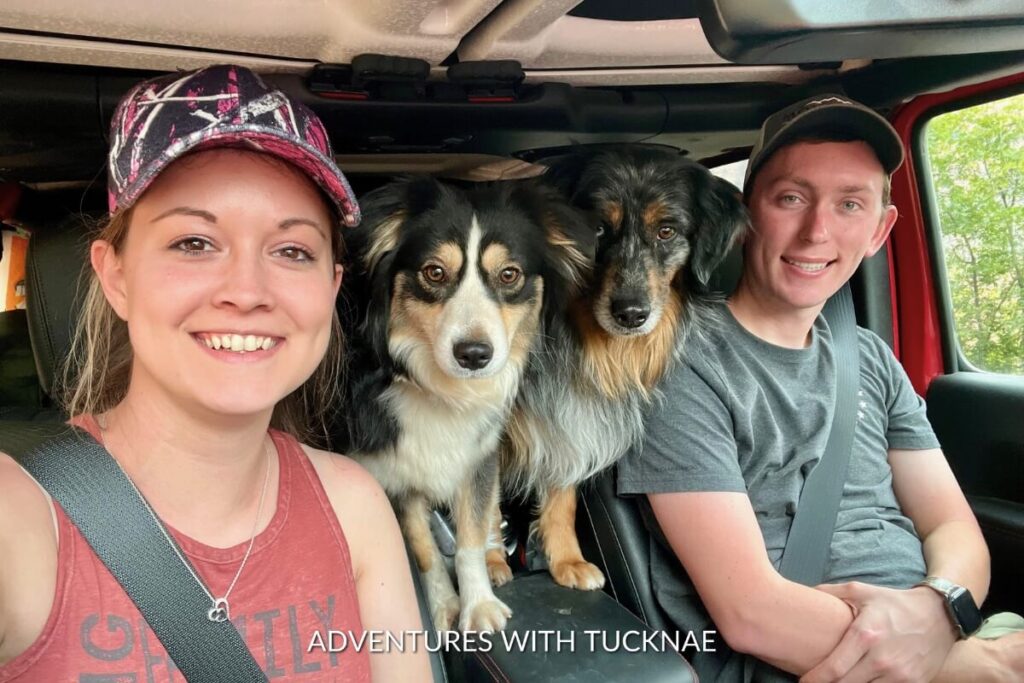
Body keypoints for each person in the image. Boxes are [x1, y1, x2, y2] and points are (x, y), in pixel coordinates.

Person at [0, 64, 430, 681]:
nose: (247, 291)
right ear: (115, 275)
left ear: (331, 288)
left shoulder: (353, 505)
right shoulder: (19, 519)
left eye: (292, 251)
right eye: (194, 243)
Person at [618, 95, 1024, 682]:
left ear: (880, 229)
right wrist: (968, 664)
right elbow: (752, 614)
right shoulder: (678, 361)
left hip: (943, 629)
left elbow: (953, 528)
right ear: (744, 215)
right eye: (791, 198)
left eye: (850, 203)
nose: (816, 232)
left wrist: (941, 611)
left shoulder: (870, 358)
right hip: (813, 664)